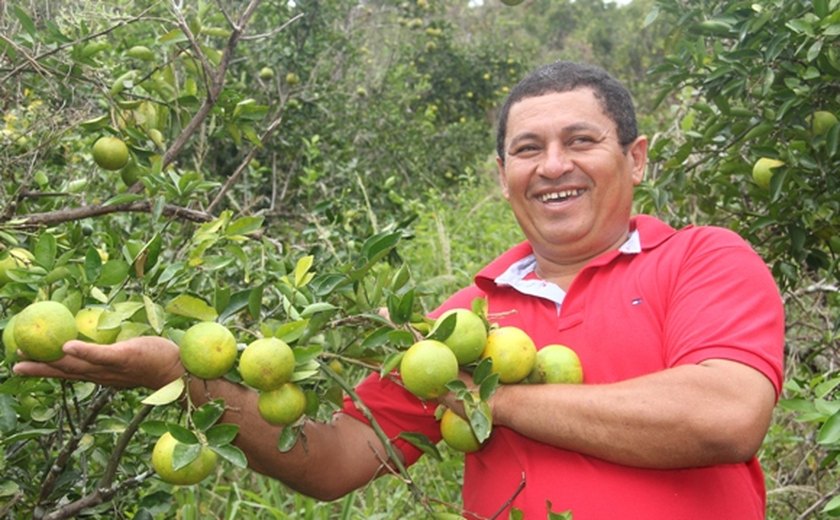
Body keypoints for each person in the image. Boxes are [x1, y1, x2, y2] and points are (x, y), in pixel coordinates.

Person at [14, 61, 785, 519]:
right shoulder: (462, 321)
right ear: (503, 175)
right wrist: (179, 375)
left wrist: (488, 398)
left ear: (636, 158)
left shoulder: (702, 260)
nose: (553, 165)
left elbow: (721, 416)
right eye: (528, 149)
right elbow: (337, 459)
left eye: (580, 141)